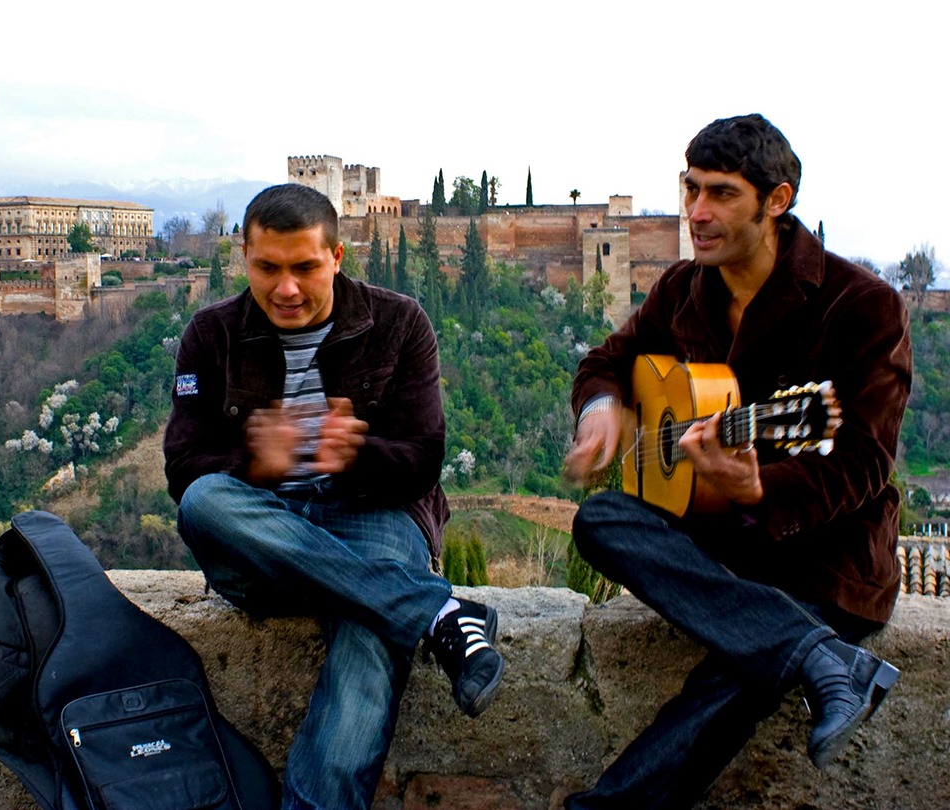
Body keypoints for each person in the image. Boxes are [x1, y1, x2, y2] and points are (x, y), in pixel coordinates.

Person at [562, 114, 911, 809]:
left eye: (721, 194)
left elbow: (865, 463)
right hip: (716, 543)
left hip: (823, 557)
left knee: (738, 671)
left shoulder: (863, 305)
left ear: (776, 201)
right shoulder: (684, 288)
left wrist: (760, 487)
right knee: (601, 519)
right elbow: (607, 361)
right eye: (691, 189)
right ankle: (821, 656)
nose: (697, 212)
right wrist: (600, 408)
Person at [164, 183, 505, 810]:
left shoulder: (399, 323)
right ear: (244, 258)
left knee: (368, 634)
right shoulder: (211, 335)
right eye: (268, 268)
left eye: (304, 267)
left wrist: (355, 456)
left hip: (367, 518)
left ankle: (394, 608)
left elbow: (423, 463)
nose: (286, 289)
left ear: (338, 257)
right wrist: (257, 465)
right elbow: (184, 470)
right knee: (208, 500)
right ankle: (431, 610)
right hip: (262, 543)